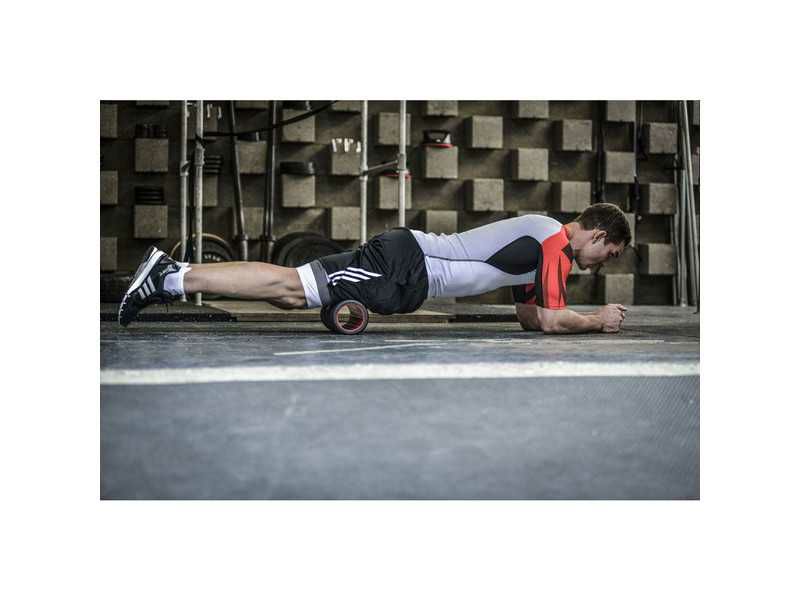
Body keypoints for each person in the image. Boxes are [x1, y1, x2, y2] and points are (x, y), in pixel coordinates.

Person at [118, 202, 630, 334]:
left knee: (291, 294)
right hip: (405, 264)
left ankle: (172, 276)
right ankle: (170, 276)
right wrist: (596, 320)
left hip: (406, 275)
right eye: (607, 255)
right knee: (291, 285)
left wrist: (566, 317)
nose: (599, 265)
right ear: (599, 236)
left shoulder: (538, 253)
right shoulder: (551, 240)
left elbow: (530, 319)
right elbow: (551, 321)